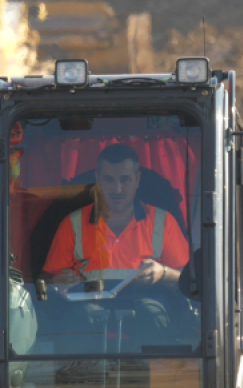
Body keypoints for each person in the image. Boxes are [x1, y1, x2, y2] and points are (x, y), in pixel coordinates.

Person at [38, 143, 193, 352]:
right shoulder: (73, 224)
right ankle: (79, 382)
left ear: (137, 179)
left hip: (145, 303)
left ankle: (158, 382)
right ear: (98, 179)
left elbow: (188, 280)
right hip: (87, 307)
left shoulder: (163, 222)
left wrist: (163, 273)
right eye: (109, 180)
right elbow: (48, 282)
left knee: (151, 315)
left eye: (125, 180)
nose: (117, 189)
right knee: (80, 319)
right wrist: (61, 281)